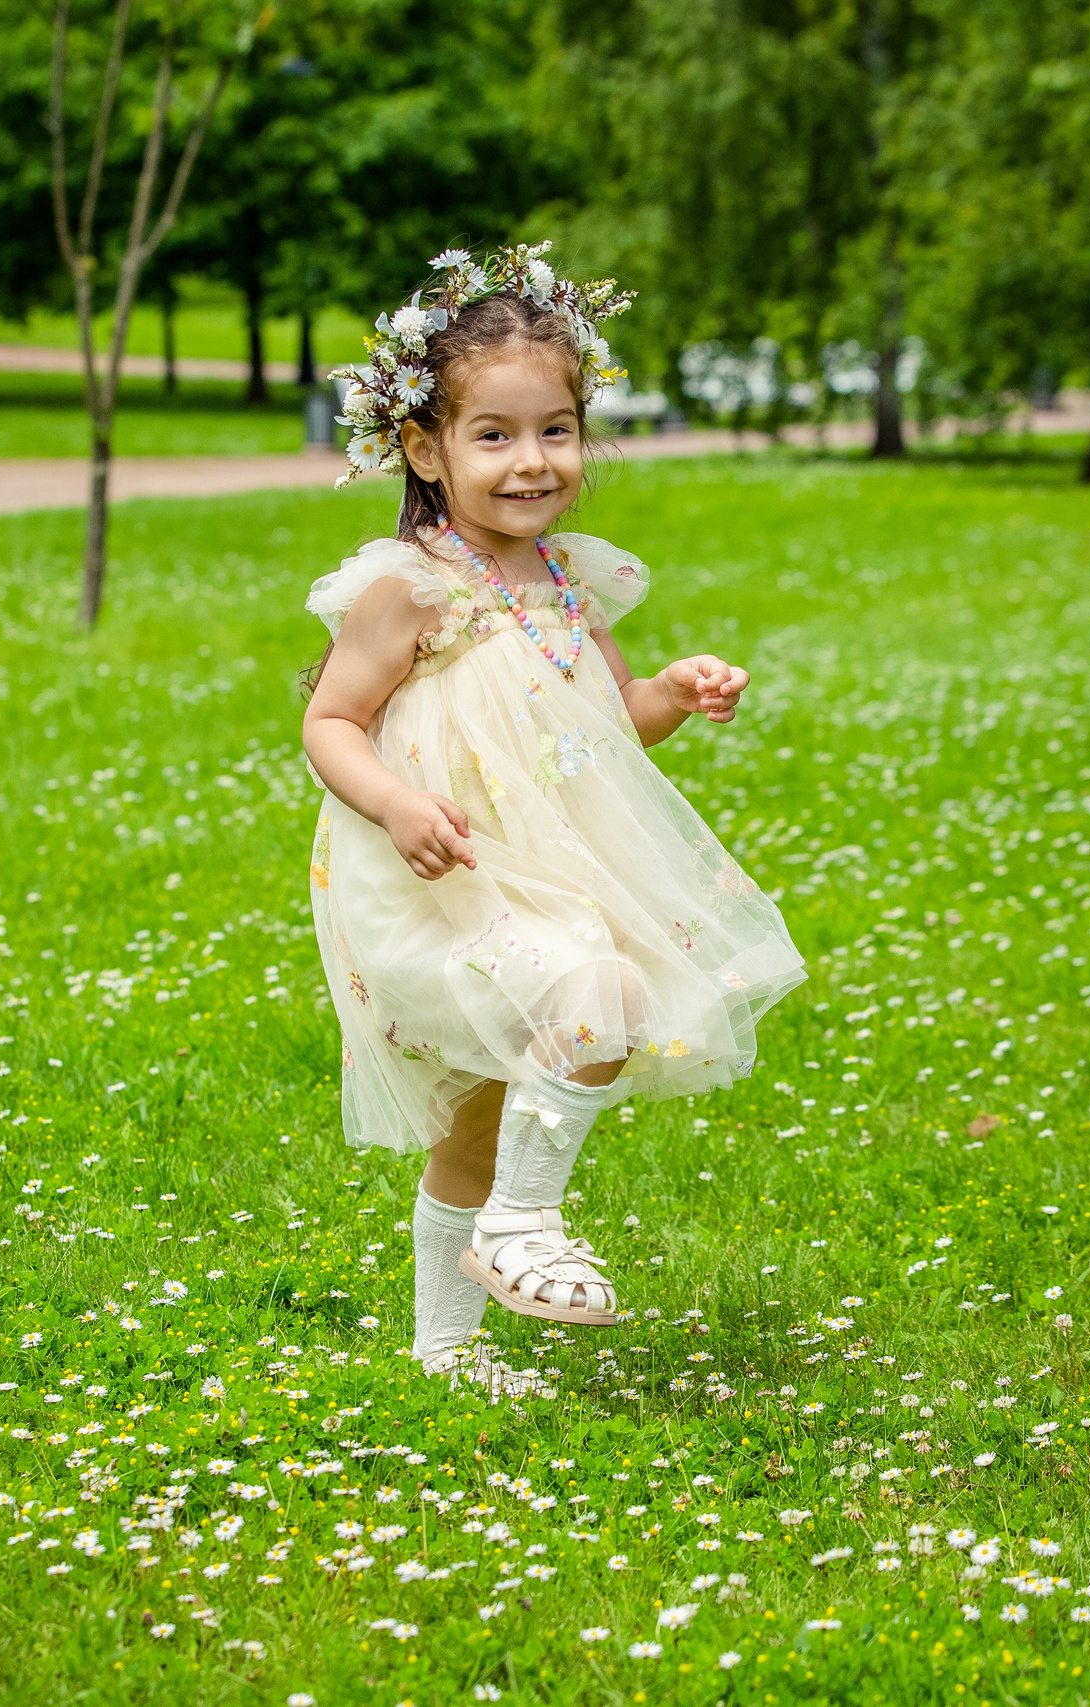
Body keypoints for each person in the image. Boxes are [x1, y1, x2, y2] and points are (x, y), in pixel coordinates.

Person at [300, 244, 805, 1373]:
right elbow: (329, 724)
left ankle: (447, 1347)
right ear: (424, 447)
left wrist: (670, 691)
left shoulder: (567, 578)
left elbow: (606, 718)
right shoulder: (406, 585)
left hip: (557, 876)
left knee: (478, 1121)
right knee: (600, 995)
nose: (532, 462)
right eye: (494, 435)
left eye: (556, 430)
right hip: (444, 879)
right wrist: (393, 804)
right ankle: (523, 1229)